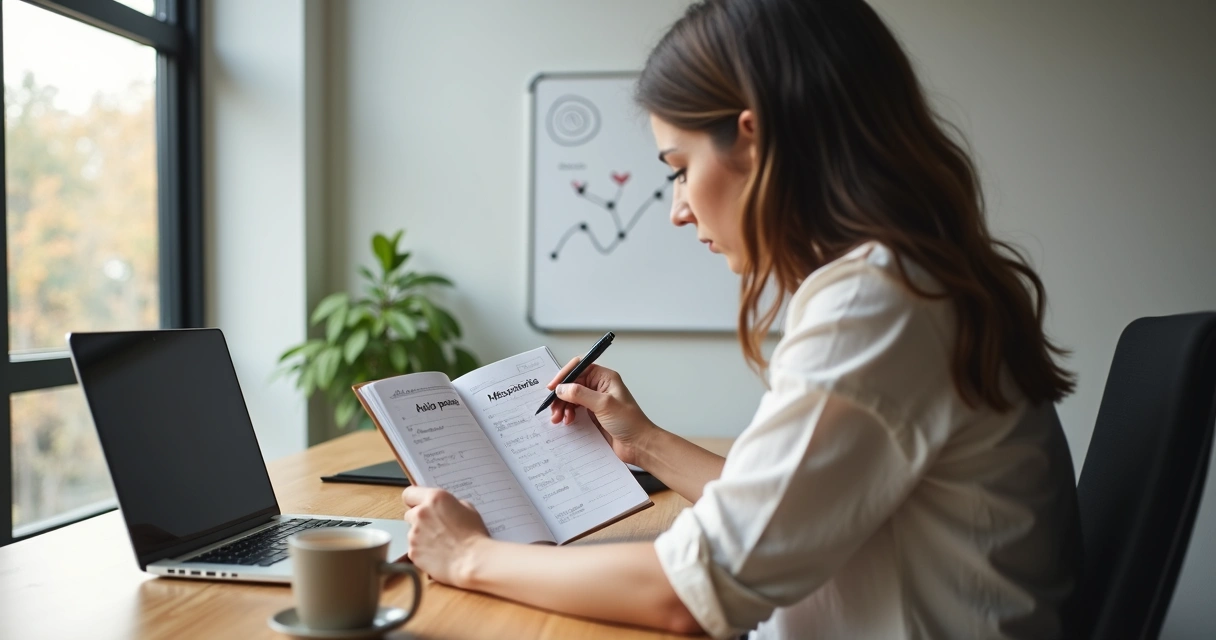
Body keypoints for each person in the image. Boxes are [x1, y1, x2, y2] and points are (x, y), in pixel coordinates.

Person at [400, 0, 1082, 637]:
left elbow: (692, 595)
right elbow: (779, 517)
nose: (677, 207)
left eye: (680, 165)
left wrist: (467, 556)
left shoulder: (877, 305)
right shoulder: (913, 283)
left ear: (752, 139)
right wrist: (642, 443)